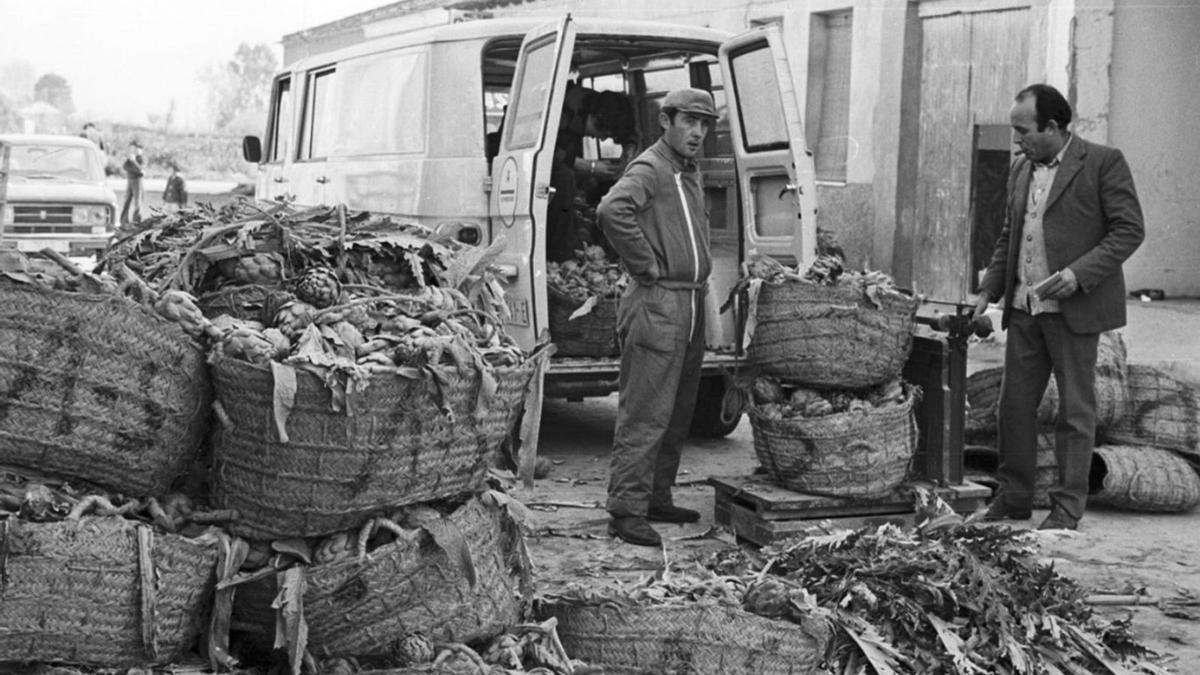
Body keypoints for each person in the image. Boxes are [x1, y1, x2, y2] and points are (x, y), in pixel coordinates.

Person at [974, 83, 1144, 531]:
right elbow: (1009, 236)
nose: (1016, 141)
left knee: (1074, 411)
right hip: (1026, 307)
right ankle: (1013, 498)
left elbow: (1129, 231)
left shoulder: (1104, 162)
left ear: (1052, 127)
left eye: (1023, 130)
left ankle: (1067, 508)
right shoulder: (1019, 171)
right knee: (1013, 407)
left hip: (1075, 309)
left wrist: (1077, 275)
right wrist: (989, 291)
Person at [596, 88, 717, 546]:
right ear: (666, 121)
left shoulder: (687, 171)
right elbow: (612, 210)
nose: (697, 132)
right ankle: (626, 512)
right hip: (658, 303)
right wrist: (644, 264)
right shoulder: (652, 166)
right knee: (645, 412)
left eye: (705, 124)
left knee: (678, 409)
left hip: (689, 303)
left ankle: (656, 498)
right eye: (689, 121)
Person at [548, 84, 636, 262]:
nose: (602, 138)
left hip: (568, 157)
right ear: (595, 116)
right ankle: (561, 255)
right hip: (541, 166)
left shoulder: (604, 105)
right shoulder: (559, 109)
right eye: (601, 131)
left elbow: (629, 134)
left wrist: (626, 159)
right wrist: (589, 167)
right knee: (564, 178)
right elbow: (547, 153)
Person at [120, 140, 145, 226]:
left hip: (137, 181)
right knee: (126, 200)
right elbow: (125, 167)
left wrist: (134, 162)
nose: (136, 151)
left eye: (138, 149)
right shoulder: (132, 157)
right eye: (135, 149)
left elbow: (141, 171)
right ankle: (124, 220)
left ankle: (136, 221)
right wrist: (129, 160)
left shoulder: (141, 159)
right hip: (130, 179)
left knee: (137, 202)